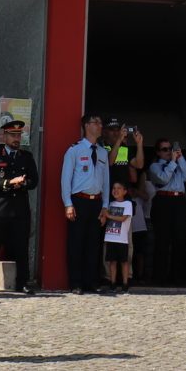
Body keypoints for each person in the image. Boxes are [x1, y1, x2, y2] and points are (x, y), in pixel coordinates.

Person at [0, 118, 36, 293]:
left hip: (19, 209)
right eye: (13, 135)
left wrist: (22, 184)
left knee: (21, 246)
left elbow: (34, 180)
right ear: (4, 136)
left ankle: (23, 282)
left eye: (19, 135)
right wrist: (8, 183)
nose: (16, 139)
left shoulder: (26, 157)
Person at [60, 115, 109, 293]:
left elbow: (106, 181)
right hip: (78, 200)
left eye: (100, 122)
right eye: (96, 122)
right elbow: (66, 179)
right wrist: (68, 203)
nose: (100, 126)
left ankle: (91, 281)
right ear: (86, 126)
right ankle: (76, 283)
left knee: (93, 244)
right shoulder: (75, 150)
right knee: (76, 243)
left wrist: (105, 206)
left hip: (96, 202)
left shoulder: (103, 152)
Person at [145, 137, 186, 286]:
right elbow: (163, 179)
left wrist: (180, 158)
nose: (168, 152)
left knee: (179, 240)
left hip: (179, 201)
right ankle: (159, 277)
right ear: (158, 152)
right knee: (162, 241)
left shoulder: (177, 164)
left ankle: (176, 277)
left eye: (169, 148)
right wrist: (172, 162)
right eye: (164, 149)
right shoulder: (154, 166)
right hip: (163, 201)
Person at [100, 178, 134, 293]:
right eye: (114, 188)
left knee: (124, 262)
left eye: (119, 188)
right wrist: (104, 216)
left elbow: (123, 218)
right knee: (112, 261)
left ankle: (125, 284)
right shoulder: (109, 204)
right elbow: (104, 218)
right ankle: (112, 283)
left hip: (122, 239)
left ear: (125, 191)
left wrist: (108, 216)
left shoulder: (128, 204)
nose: (116, 190)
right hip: (110, 237)